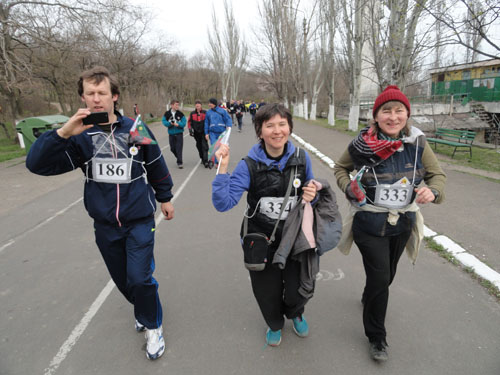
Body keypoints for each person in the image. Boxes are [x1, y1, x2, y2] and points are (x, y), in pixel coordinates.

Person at [26, 66, 174, 360]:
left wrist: (165, 197)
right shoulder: (79, 137)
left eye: (101, 93)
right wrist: (63, 133)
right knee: (124, 280)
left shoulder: (135, 128)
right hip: (105, 224)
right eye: (89, 93)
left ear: (114, 96)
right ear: (82, 97)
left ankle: (152, 324)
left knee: (140, 277)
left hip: (139, 220)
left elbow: (155, 163)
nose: (96, 99)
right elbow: (36, 164)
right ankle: (143, 308)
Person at [333, 85, 446, 362]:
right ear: (376, 116)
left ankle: (370, 293)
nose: (393, 117)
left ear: (407, 114)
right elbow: (340, 168)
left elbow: (437, 175)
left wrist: (433, 191)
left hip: (403, 221)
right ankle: (376, 337)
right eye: (386, 111)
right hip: (369, 221)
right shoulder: (361, 144)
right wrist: (349, 188)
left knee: (386, 276)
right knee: (381, 277)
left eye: (399, 111)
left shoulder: (419, 142)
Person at [212, 103, 320, 346]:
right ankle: (274, 323)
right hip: (260, 239)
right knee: (266, 292)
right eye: (269, 125)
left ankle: (295, 313)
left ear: (290, 128)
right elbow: (223, 203)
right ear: (260, 131)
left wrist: (315, 192)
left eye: (282, 124)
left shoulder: (302, 159)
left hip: (295, 239)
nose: (277, 130)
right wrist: (223, 169)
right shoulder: (248, 165)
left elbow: (313, 192)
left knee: (297, 289)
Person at [204, 97, 232, 168]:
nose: (209, 104)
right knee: (214, 147)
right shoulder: (208, 113)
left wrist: (228, 126)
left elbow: (228, 119)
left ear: (214, 103)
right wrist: (206, 133)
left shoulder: (222, 111)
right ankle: (217, 162)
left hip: (221, 132)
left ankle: (220, 160)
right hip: (212, 133)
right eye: (209, 103)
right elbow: (206, 123)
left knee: (221, 146)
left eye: (210, 103)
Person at [162, 100, 186, 169]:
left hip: (179, 134)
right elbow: (164, 122)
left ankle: (180, 162)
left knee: (179, 148)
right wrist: (170, 124)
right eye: (176, 105)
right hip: (171, 134)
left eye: (178, 105)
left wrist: (178, 124)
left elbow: (184, 123)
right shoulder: (167, 114)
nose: (177, 106)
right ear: (172, 105)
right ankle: (178, 157)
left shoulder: (180, 114)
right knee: (172, 148)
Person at [188, 100, 209, 168]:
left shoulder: (205, 113)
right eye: (196, 106)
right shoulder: (192, 113)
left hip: (203, 132)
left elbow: (208, 121)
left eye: (199, 106)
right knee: (199, 146)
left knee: (204, 146)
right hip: (196, 133)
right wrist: (190, 129)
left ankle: (206, 161)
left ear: (201, 106)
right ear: (195, 106)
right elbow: (189, 122)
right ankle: (202, 157)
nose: (198, 107)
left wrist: (208, 131)